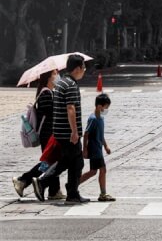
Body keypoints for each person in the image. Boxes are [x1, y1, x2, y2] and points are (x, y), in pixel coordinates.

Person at [33, 54, 88, 204]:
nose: (84, 70)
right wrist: (74, 132)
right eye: (83, 67)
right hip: (68, 133)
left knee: (71, 162)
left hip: (59, 132)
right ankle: (43, 182)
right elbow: (70, 108)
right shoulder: (70, 85)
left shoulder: (62, 83)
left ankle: (72, 193)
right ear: (77, 69)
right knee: (70, 162)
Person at [13, 70, 64, 200]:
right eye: (54, 73)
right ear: (48, 77)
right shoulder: (46, 93)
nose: (57, 76)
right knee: (49, 162)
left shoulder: (48, 92)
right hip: (47, 134)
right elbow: (52, 112)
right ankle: (23, 180)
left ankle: (54, 191)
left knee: (52, 162)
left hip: (49, 133)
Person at [78, 93, 114, 202]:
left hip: (98, 149)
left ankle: (73, 184)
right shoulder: (93, 119)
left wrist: (106, 146)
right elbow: (86, 134)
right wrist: (85, 149)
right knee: (101, 170)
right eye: (106, 107)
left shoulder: (101, 118)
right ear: (99, 106)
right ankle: (102, 193)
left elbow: (101, 134)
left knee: (94, 171)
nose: (106, 109)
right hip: (94, 150)